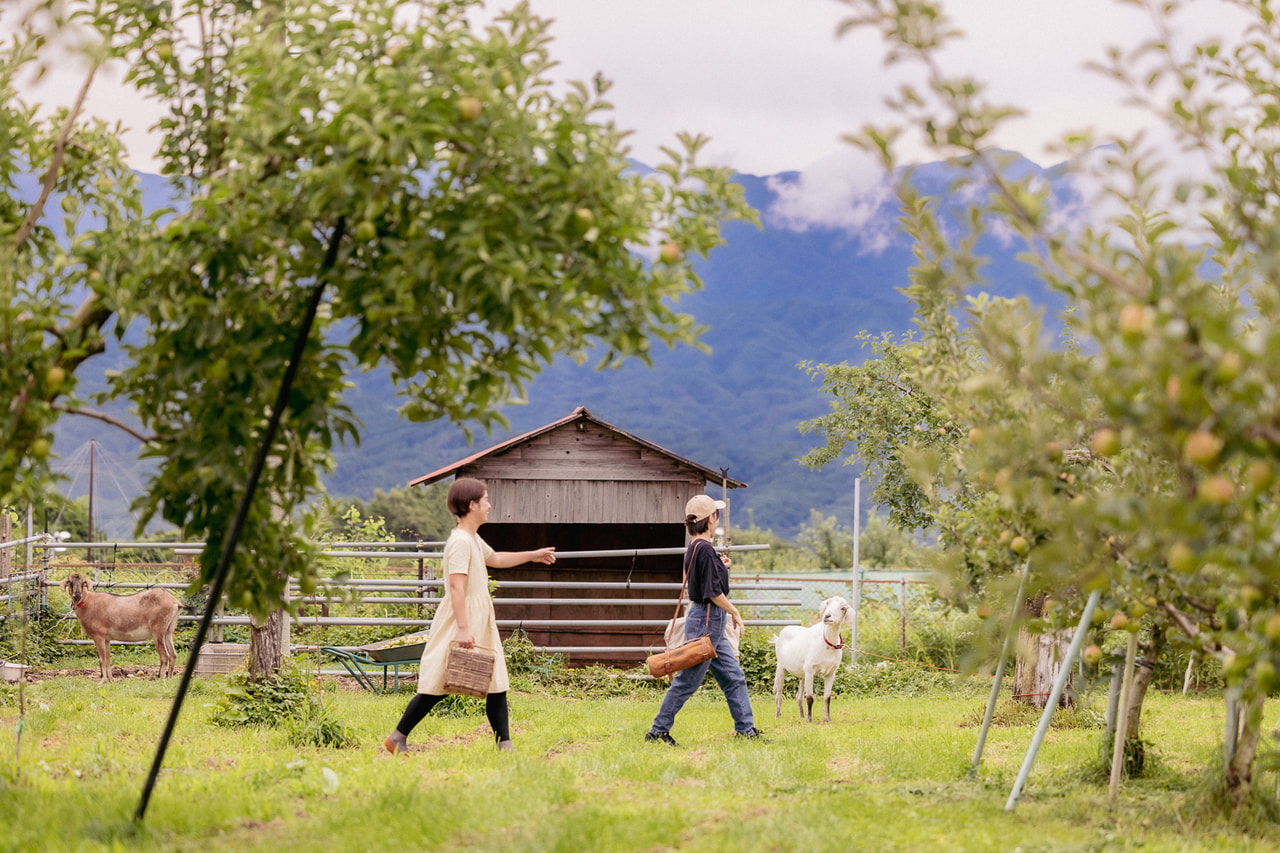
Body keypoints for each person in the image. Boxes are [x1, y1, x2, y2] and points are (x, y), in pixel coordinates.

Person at [384, 477, 555, 754]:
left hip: (478, 616)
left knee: (497, 679)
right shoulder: (460, 542)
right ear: (472, 504)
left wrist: (533, 555)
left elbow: (496, 558)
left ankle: (505, 744)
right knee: (437, 682)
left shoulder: (472, 538)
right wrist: (464, 629)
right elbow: (455, 587)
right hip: (460, 618)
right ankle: (397, 737)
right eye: (485, 499)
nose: (489, 504)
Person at [645, 494, 767, 745]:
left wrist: (722, 566)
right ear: (710, 519)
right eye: (716, 515)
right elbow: (713, 593)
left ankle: (746, 730)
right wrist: (735, 611)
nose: (717, 519)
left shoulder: (696, 548)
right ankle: (657, 731)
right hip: (707, 622)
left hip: (707, 621)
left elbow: (705, 580)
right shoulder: (706, 549)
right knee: (687, 681)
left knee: (734, 678)